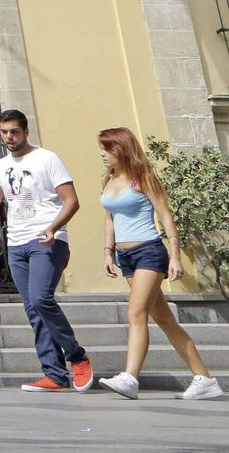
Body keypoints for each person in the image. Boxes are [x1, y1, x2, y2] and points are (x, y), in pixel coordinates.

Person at [0, 110, 94, 393]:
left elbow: (72, 201)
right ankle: (54, 374)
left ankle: (76, 355)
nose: (9, 138)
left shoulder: (47, 159)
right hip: (16, 244)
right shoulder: (0, 166)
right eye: (3, 132)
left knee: (40, 299)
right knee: (32, 310)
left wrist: (53, 228)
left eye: (14, 132)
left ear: (25, 131)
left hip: (47, 241)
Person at [94, 127, 223, 400]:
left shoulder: (144, 178)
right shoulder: (108, 178)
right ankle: (205, 379)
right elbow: (110, 218)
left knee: (136, 314)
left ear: (121, 149)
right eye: (101, 149)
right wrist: (108, 252)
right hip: (125, 256)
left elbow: (165, 216)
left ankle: (130, 377)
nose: (102, 154)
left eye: (107, 149)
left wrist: (175, 255)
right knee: (164, 319)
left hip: (149, 252)